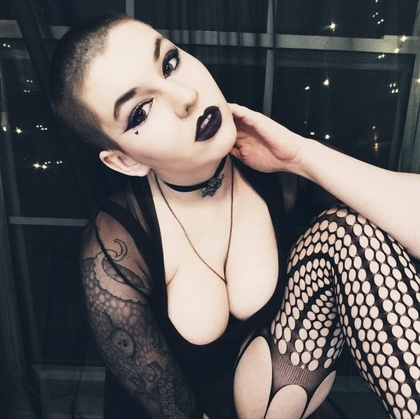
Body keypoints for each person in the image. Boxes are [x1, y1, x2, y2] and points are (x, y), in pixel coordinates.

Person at [48, 13, 420, 419]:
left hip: (277, 389)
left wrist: (300, 157)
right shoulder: (115, 251)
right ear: (124, 160)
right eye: (140, 111)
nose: (186, 96)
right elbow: (171, 409)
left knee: (351, 233)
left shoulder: (274, 169)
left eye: (169, 63)